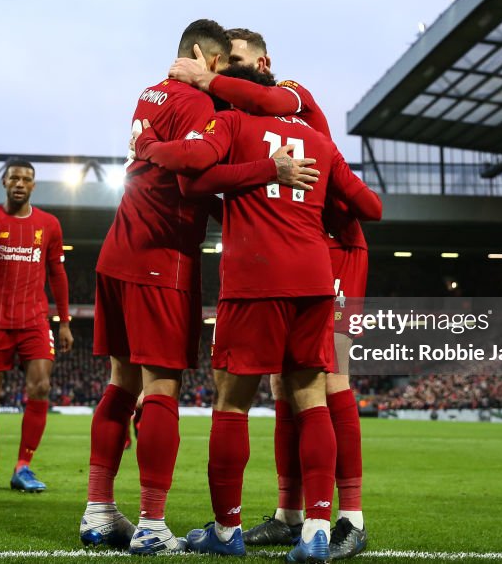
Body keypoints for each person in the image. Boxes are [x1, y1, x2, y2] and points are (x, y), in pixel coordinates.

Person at [82, 19, 318, 555]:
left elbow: (179, 178)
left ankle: (98, 512)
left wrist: (238, 204)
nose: (220, 76)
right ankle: (150, 524)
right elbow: (192, 174)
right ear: (200, 54)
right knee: (161, 390)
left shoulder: (150, 93)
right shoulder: (196, 105)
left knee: (120, 385)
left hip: (118, 247)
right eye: (219, 63)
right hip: (161, 260)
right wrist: (268, 172)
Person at [134, 90, 382, 562]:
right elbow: (371, 206)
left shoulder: (232, 124)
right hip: (314, 279)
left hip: (255, 278)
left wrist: (148, 145)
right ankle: (315, 528)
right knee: (312, 395)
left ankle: (227, 531)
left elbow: (191, 182)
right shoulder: (319, 142)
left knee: (232, 402)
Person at [0, 159, 73, 493]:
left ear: (33, 186)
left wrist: (64, 322)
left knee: (41, 387)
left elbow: (58, 274)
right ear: (4, 183)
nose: (20, 183)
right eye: (14, 178)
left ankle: (24, 466)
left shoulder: (49, 224)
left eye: (26, 179)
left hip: (34, 319)